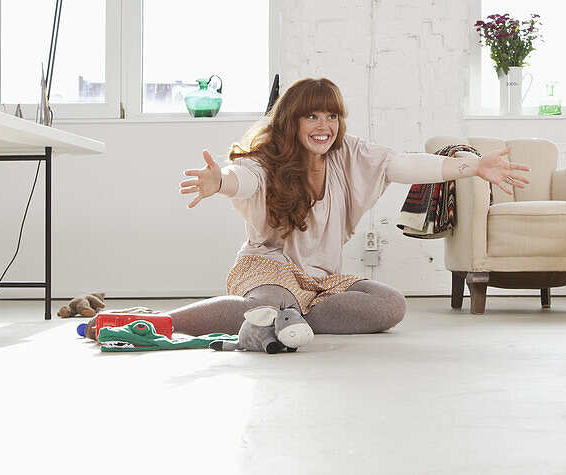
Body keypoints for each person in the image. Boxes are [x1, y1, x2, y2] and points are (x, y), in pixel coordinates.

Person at [165, 77, 530, 338]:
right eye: (312, 117)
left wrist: (474, 167)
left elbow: (401, 165)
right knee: (274, 298)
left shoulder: (348, 153)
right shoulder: (268, 160)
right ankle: (164, 322)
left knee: (391, 304)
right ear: (291, 120)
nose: (324, 126)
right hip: (266, 269)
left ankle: (282, 320)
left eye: (332, 116)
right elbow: (244, 178)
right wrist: (220, 183)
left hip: (320, 280)